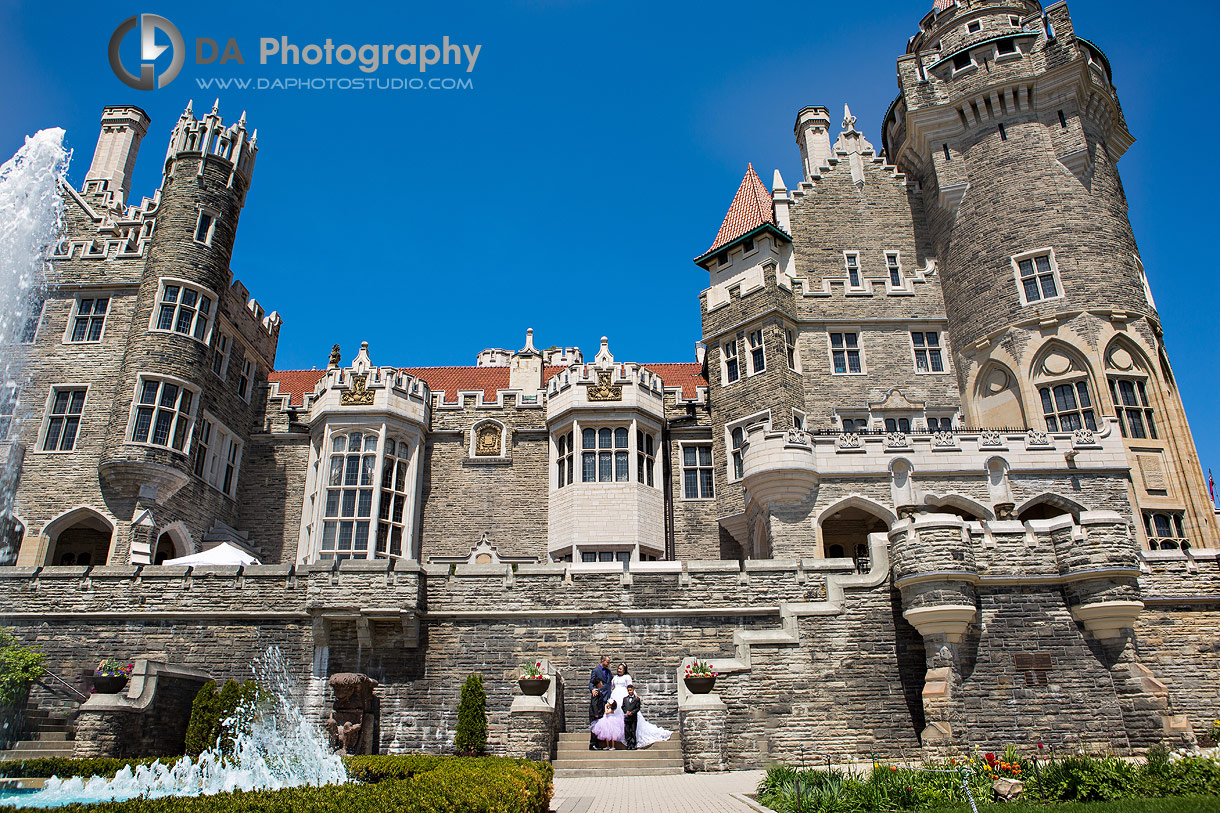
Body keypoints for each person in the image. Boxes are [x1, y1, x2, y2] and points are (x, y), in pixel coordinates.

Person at [588, 656, 612, 750]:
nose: (608, 663)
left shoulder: (609, 672)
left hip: (607, 698)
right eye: (607, 662)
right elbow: (591, 682)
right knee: (596, 723)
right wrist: (593, 689)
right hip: (599, 698)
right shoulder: (596, 670)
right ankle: (594, 743)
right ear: (602, 661)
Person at [588, 677, 606, 750]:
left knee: (597, 729)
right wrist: (596, 713)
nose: (602, 684)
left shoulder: (598, 691)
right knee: (594, 729)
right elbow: (594, 703)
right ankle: (592, 744)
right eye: (601, 682)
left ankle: (596, 743)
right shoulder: (596, 692)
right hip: (595, 713)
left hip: (599, 713)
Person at [621, 683, 641, 749]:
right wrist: (626, 711)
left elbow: (638, 708)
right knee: (627, 731)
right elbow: (623, 706)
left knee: (633, 730)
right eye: (628, 690)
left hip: (633, 717)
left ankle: (633, 743)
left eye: (631, 690)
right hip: (627, 717)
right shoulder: (625, 699)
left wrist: (632, 712)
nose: (630, 691)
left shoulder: (637, 699)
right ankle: (628, 743)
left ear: (633, 690)